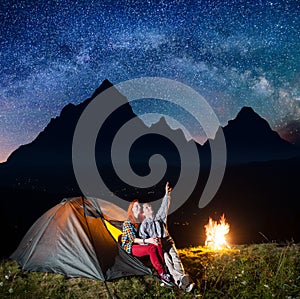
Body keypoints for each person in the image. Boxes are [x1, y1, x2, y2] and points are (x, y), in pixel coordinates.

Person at [139, 182, 195, 293]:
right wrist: (151, 242)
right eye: (146, 207)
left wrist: (167, 194)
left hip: (168, 241)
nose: (149, 207)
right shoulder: (144, 225)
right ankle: (182, 281)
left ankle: (181, 281)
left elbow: (164, 207)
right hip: (159, 246)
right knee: (168, 262)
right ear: (144, 212)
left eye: (149, 206)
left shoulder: (159, 217)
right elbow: (142, 240)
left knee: (175, 258)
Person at [121, 199, 173, 286]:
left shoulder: (140, 219)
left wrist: (153, 239)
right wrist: (148, 240)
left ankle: (165, 268)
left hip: (140, 244)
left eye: (139, 206)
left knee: (157, 243)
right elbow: (132, 239)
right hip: (131, 246)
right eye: (136, 206)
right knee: (151, 248)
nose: (139, 207)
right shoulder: (127, 222)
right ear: (132, 209)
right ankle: (162, 273)